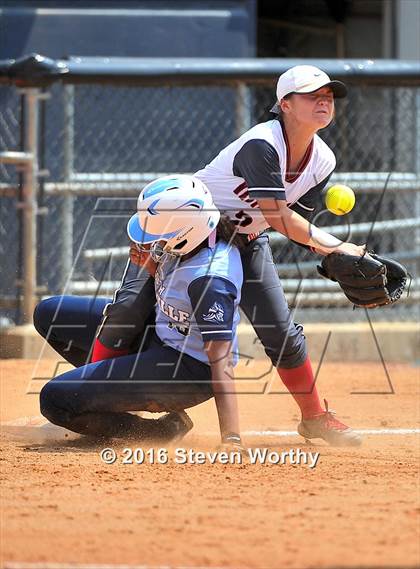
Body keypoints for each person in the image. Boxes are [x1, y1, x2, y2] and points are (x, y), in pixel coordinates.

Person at [38, 65, 364, 447]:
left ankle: (315, 418)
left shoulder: (323, 159)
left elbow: (292, 222)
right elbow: (277, 212)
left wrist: (327, 254)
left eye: (328, 96)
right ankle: (94, 403)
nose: (324, 101)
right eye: (313, 95)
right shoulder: (262, 144)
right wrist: (340, 246)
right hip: (185, 233)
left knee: (281, 332)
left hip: (245, 240)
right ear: (285, 105)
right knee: (127, 310)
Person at [35, 176, 245, 449]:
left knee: (55, 401)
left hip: (185, 370)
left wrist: (231, 437)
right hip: (161, 335)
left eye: (158, 234)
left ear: (183, 233)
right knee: (49, 314)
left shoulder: (210, 281)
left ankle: (158, 431)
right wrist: (152, 268)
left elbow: (221, 363)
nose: (150, 241)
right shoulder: (195, 240)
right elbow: (177, 294)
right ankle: (102, 398)